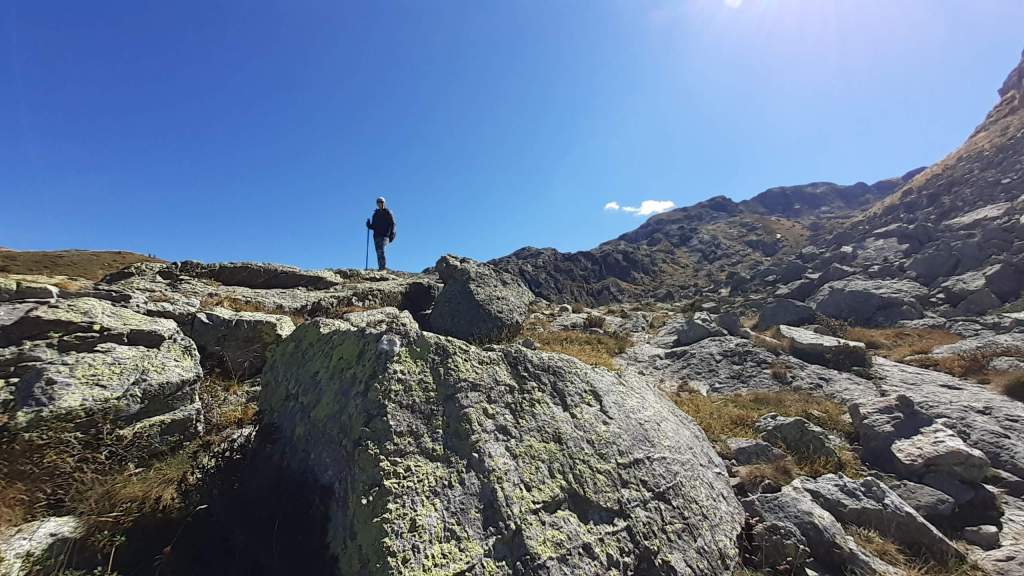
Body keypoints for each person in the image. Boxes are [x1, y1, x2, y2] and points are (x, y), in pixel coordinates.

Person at [366, 197, 396, 270]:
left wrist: (392, 234)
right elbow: (374, 226)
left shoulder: (388, 212)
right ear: (377, 204)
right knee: (378, 252)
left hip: (385, 236)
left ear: (384, 203)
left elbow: (393, 224)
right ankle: (381, 267)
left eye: (381, 202)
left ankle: (382, 268)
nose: (380, 203)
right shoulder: (375, 214)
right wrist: (369, 225)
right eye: (378, 202)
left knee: (381, 250)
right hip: (376, 236)